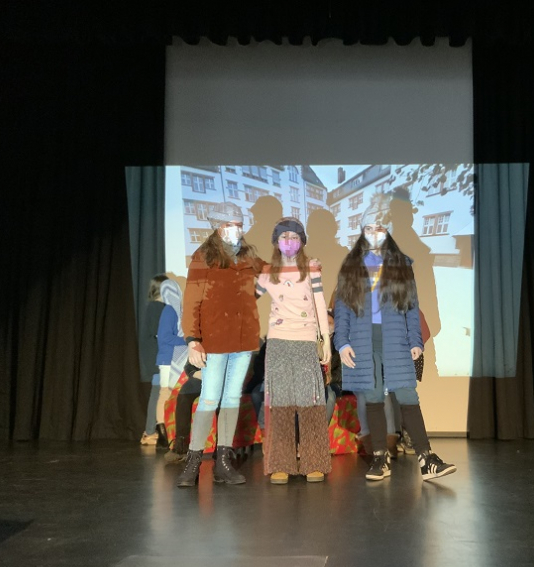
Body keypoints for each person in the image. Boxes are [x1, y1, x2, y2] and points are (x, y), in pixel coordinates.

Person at [334, 194, 456, 482]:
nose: (374, 233)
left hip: (396, 339)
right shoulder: (351, 267)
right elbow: (342, 309)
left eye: (379, 228)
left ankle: (426, 458)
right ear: (362, 232)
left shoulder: (401, 264)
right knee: (373, 397)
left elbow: (411, 307)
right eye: (368, 228)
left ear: (387, 230)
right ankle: (380, 458)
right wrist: (342, 342)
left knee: (407, 395)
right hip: (363, 341)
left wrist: (416, 340)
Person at [176, 201, 264, 487]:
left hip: (243, 340)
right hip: (213, 340)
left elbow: (269, 273)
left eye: (238, 224)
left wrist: (300, 266)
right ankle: (193, 462)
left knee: (230, 399)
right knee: (209, 398)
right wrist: (193, 340)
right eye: (228, 225)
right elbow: (191, 301)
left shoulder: (248, 255)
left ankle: (223, 462)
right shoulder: (203, 256)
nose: (235, 229)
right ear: (217, 226)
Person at [255, 217, 332, 484]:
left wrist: (326, 340)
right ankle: (281, 463)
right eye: (284, 237)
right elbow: (247, 298)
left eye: (295, 237)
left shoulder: (311, 269)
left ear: (302, 241)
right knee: (280, 404)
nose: (289, 242)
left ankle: (314, 461)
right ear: (276, 242)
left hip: (305, 341)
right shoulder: (267, 273)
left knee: (311, 402)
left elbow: (320, 304)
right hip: (278, 342)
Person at [154, 279, 189, 448]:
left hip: (172, 359)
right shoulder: (169, 310)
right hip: (168, 360)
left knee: (170, 395)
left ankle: (168, 432)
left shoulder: (178, 311)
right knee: (165, 394)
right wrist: (186, 341)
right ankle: (162, 433)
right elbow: (165, 337)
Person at [141, 274, 169, 445]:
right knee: (158, 392)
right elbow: (159, 333)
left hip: (155, 356)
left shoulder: (154, 307)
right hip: (158, 357)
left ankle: (151, 431)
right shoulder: (157, 307)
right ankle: (150, 431)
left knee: (158, 392)